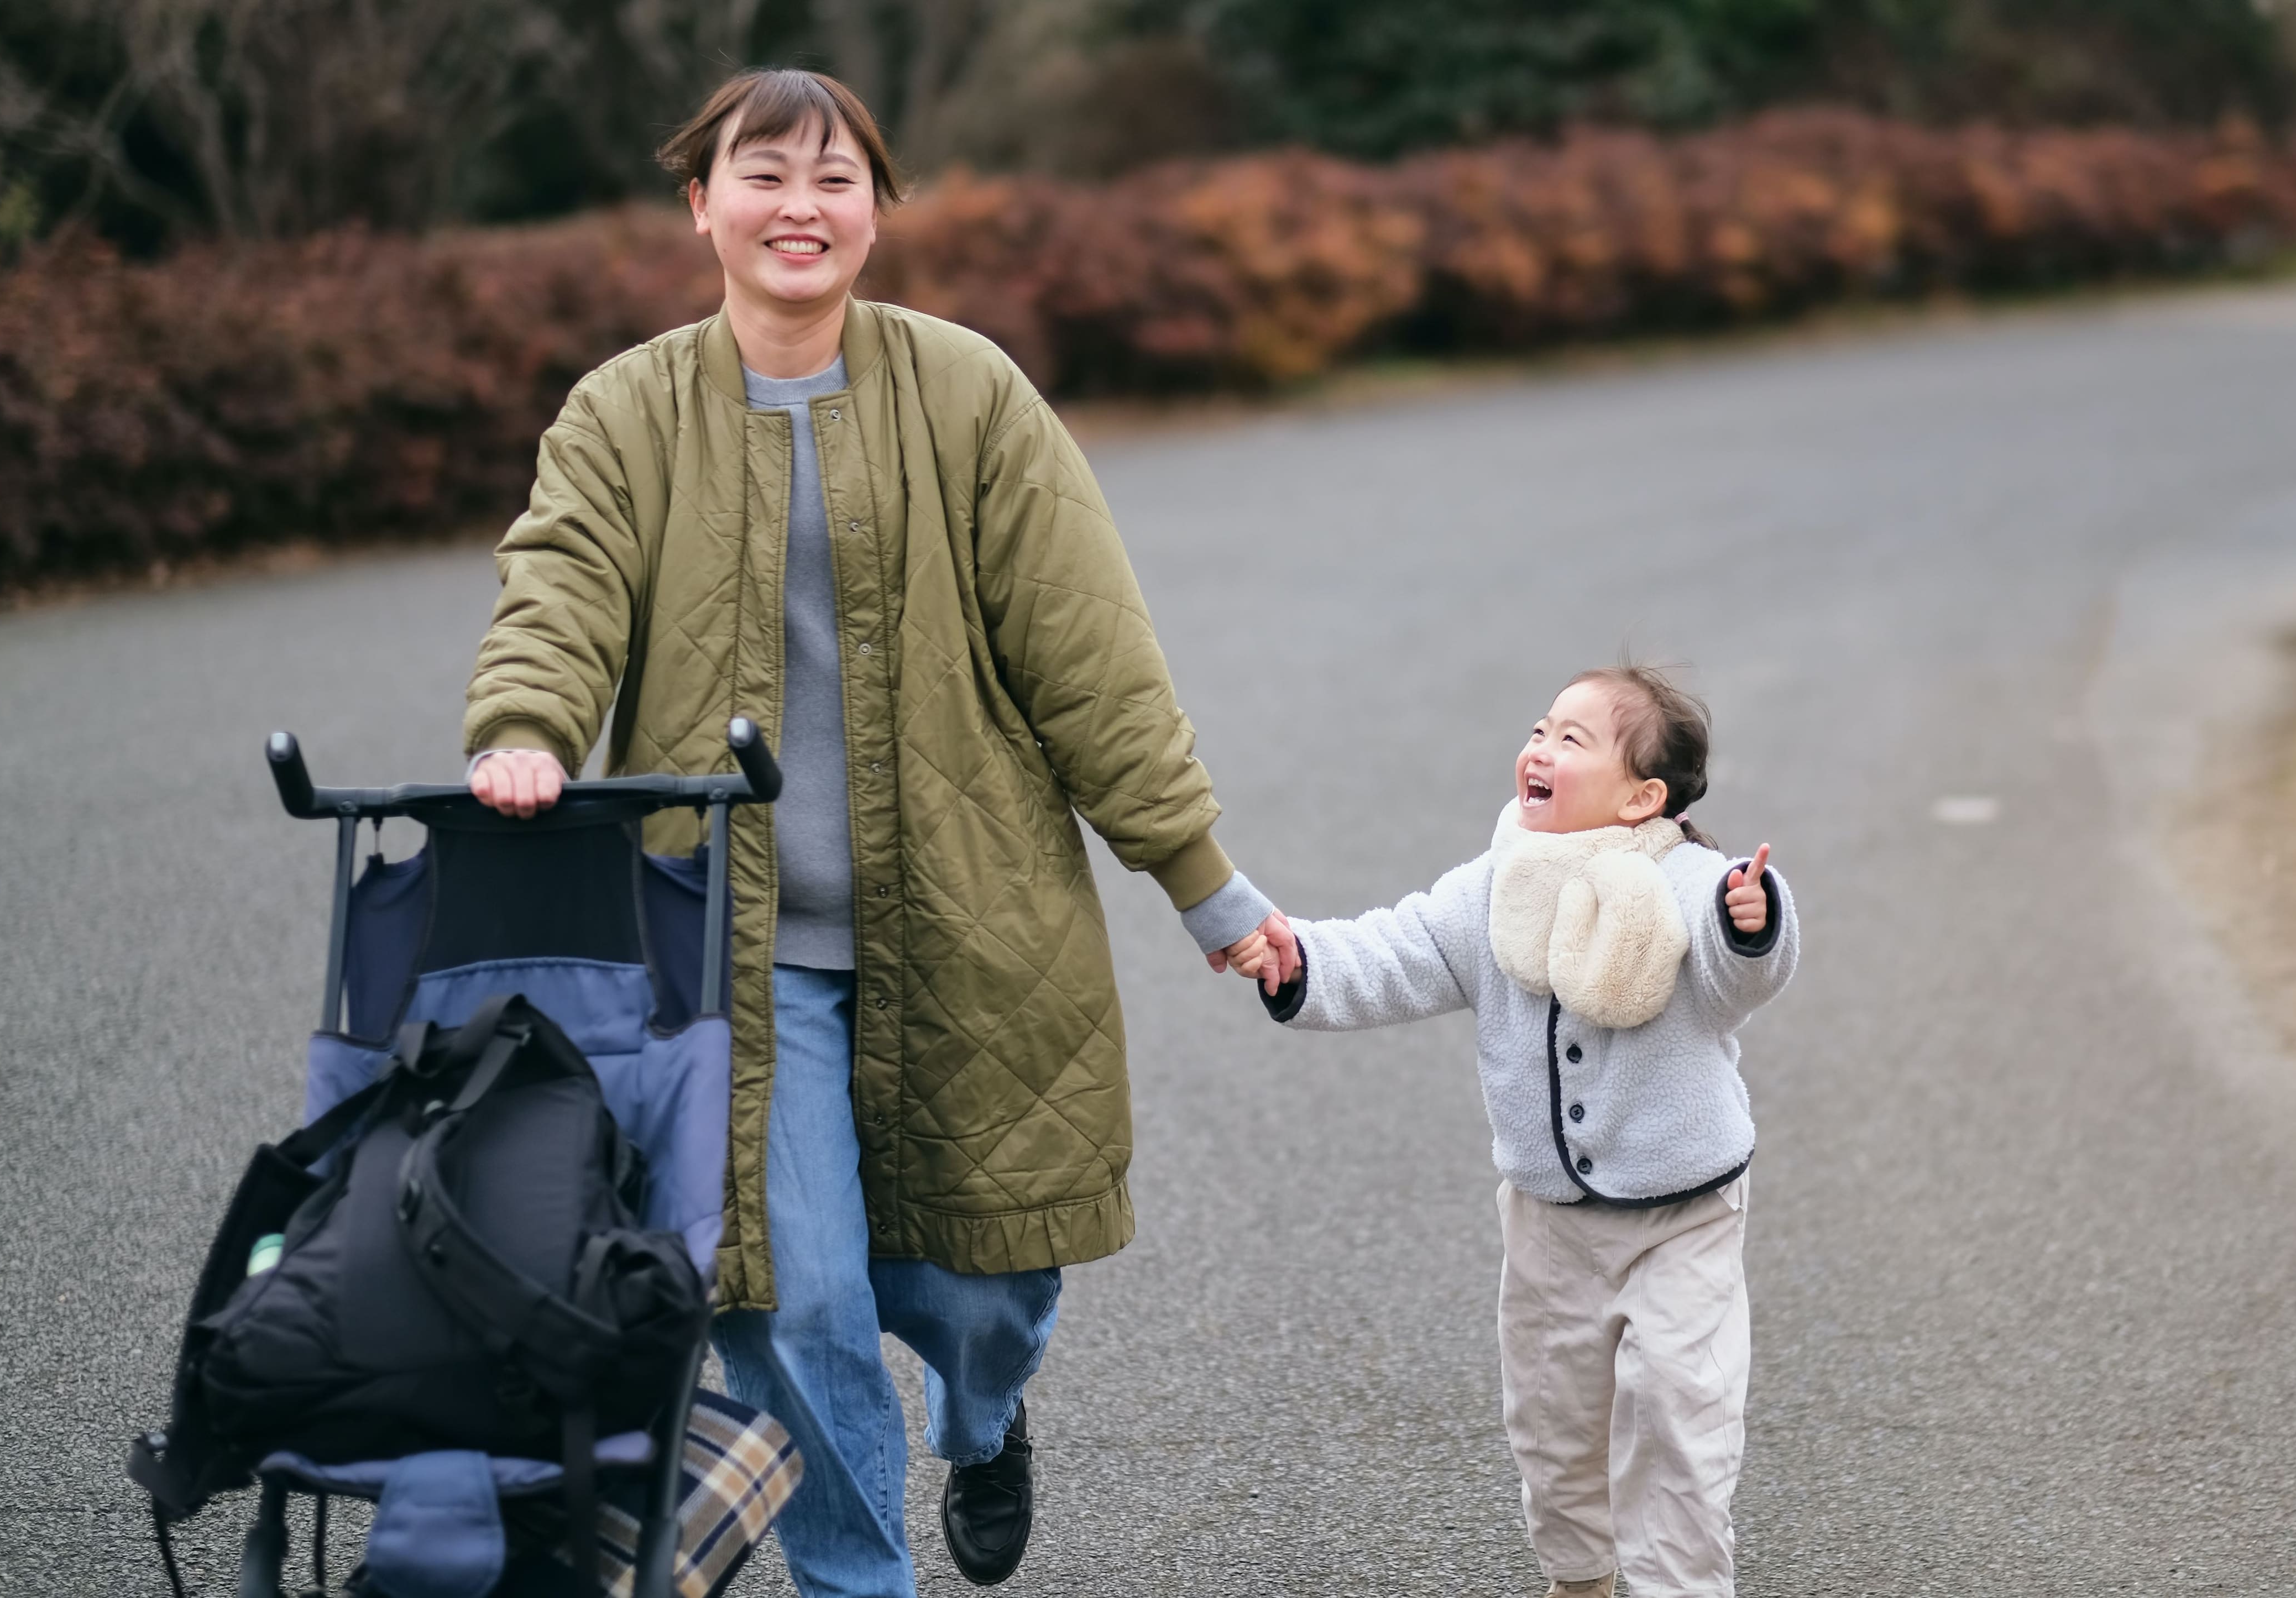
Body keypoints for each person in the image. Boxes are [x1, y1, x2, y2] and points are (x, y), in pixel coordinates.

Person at [461, 67, 1300, 1596]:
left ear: (877, 208)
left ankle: (986, 1424)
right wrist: (526, 733)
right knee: (797, 1299)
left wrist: (1200, 881)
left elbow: (1089, 652)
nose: (802, 206)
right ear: (700, 204)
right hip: (732, 944)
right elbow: (560, 586)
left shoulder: (970, 392)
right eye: (765, 176)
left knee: (986, 1281)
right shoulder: (625, 411)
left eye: (836, 177)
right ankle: (859, 1579)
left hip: (972, 923)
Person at [1221, 664, 1797, 1598]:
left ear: (1642, 796)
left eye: (1575, 741)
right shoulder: (1494, 889)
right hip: (1550, 1225)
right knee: (1554, 1426)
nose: (1541, 748)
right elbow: (1396, 950)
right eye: (1542, 729)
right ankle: (1579, 1580)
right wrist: (1301, 959)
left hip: (1683, 1215)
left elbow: (1742, 980)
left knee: (1680, 1418)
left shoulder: (1691, 883)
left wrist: (1753, 922)